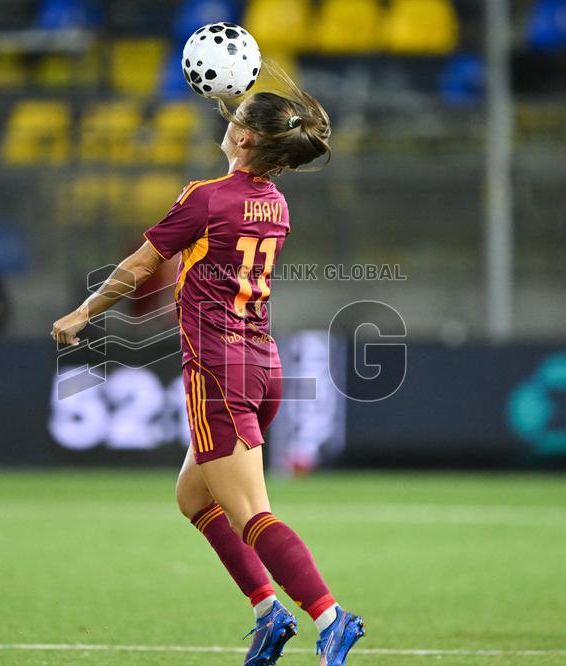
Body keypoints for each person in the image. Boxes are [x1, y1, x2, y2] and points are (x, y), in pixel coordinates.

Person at [51, 62, 365, 665]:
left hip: (219, 373)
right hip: (261, 364)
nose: (227, 117)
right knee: (194, 499)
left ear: (246, 138)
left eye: (237, 116)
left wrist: (84, 312)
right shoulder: (275, 203)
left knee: (251, 514)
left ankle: (331, 616)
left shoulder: (206, 198)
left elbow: (141, 267)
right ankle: (268, 614)